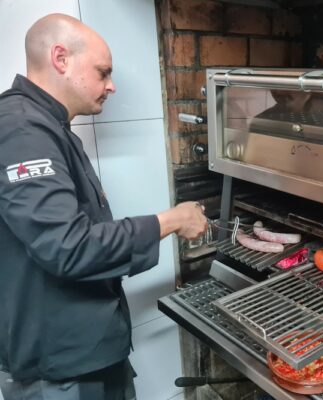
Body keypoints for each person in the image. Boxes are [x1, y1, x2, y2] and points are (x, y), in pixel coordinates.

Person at [0, 13, 208, 400]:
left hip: (84, 350)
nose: (111, 86)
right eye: (103, 72)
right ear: (60, 58)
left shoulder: (49, 125)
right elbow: (68, 246)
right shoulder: (22, 131)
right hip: (60, 366)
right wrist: (171, 220)